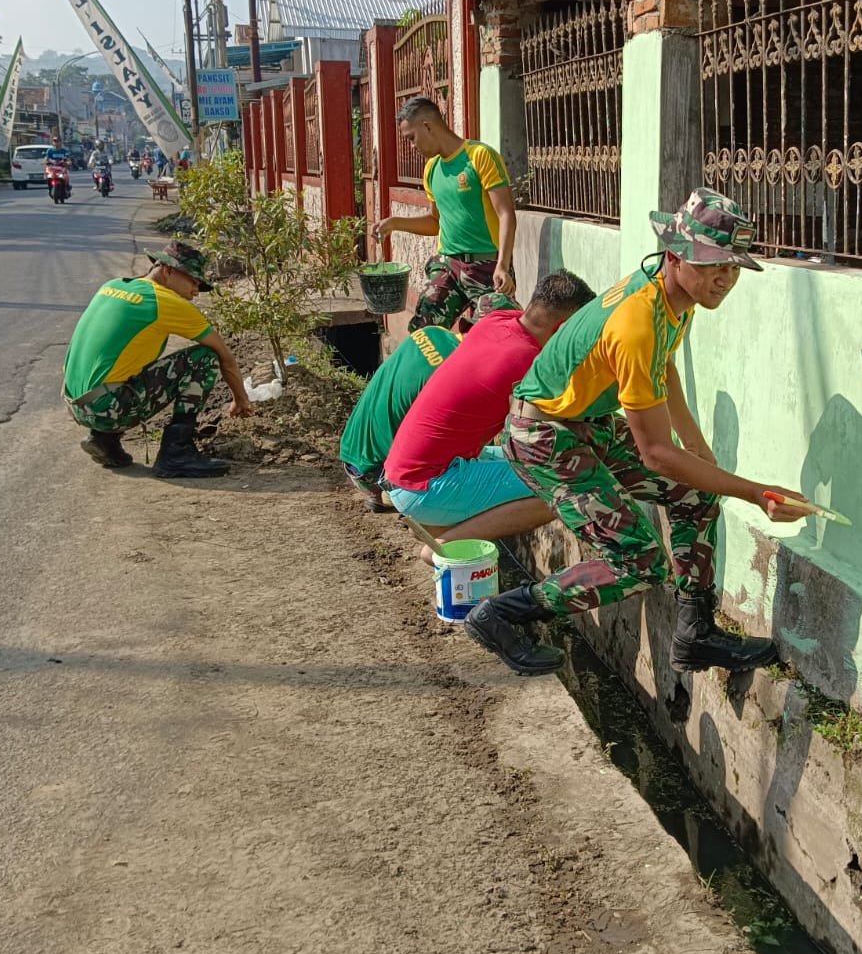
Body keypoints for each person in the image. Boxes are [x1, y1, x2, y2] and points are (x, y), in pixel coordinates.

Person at [464, 189, 811, 678]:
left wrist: (697, 447)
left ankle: (695, 634)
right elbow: (656, 454)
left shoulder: (673, 297)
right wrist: (756, 492)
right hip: (541, 436)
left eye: (733, 267)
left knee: (697, 495)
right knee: (639, 562)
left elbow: (662, 365)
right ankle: (503, 614)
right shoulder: (636, 323)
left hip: (582, 424)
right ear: (676, 255)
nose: (726, 278)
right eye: (714, 264)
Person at [383, 270, 596, 561]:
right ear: (562, 329)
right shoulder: (527, 363)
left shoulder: (498, 320)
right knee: (562, 486)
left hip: (403, 472)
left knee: (525, 459)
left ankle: (444, 528)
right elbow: (562, 424)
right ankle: (443, 547)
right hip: (425, 487)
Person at [63, 240, 252, 478]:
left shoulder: (112, 286)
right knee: (204, 357)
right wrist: (240, 399)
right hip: (106, 410)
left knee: (126, 362)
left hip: (75, 405)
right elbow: (226, 357)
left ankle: (103, 439)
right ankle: (177, 453)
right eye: (193, 281)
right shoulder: (165, 301)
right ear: (168, 270)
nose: (196, 291)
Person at [374, 97, 519, 330]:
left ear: (427, 126)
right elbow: (435, 222)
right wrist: (395, 223)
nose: (412, 146)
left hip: (488, 268)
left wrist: (502, 265)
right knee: (423, 331)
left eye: (411, 138)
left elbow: (506, 214)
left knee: (492, 337)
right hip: (448, 267)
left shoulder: (480, 156)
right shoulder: (432, 169)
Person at [337, 323, 462, 510]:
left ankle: (380, 494)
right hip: (380, 475)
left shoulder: (431, 332)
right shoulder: (455, 370)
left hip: (351, 460)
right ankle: (401, 499)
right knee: (468, 467)